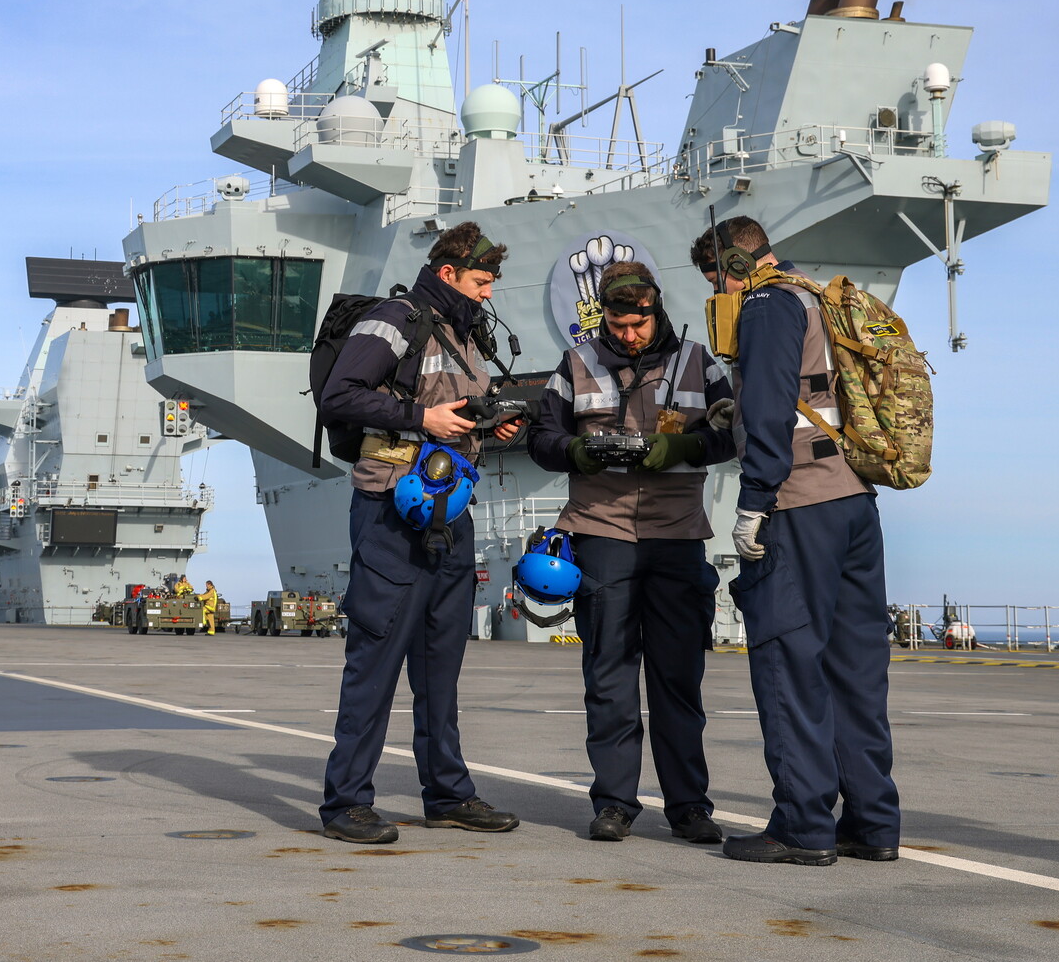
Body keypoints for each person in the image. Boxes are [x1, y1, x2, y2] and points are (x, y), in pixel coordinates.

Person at [689, 216, 900, 866]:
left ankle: (803, 826)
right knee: (855, 671)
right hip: (855, 501)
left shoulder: (765, 304)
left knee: (788, 662)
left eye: (716, 280)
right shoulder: (820, 298)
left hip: (800, 505)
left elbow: (772, 407)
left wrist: (754, 502)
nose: (718, 294)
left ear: (732, 265)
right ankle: (872, 823)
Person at [315, 221, 524, 844]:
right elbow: (338, 395)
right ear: (447, 273)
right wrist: (419, 417)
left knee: (441, 665)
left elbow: (450, 414)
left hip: (449, 514)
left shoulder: (466, 334)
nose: (488, 293)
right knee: (375, 659)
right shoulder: (394, 320)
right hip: (390, 512)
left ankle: (449, 795)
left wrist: (487, 426)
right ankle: (346, 803)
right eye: (481, 281)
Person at [529, 262, 735, 845]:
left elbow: (731, 433)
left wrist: (684, 446)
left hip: (677, 537)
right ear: (604, 316)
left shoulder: (699, 361)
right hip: (601, 534)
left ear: (655, 310)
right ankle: (615, 804)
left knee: (678, 679)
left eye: (637, 325)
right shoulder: (575, 363)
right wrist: (576, 451)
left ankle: (689, 807)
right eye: (617, 325)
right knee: (609, 677)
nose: (628, 335)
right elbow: (540, 439)